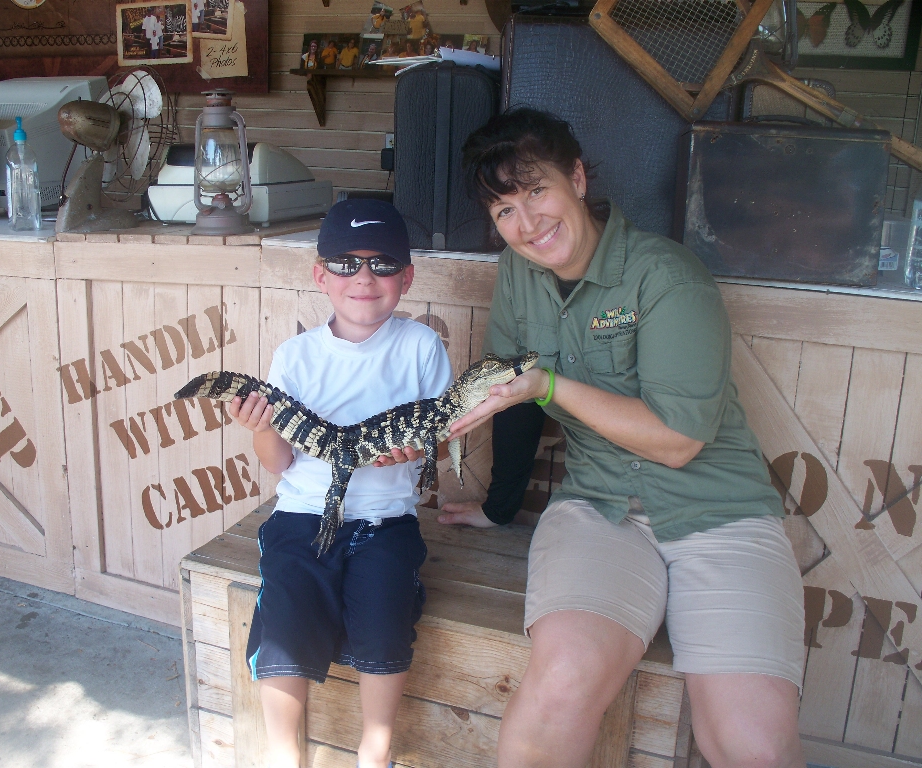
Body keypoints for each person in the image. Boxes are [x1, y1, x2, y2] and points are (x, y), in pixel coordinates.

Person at [383, 108, 807, 768]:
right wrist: (500, 506)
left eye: (537, 191)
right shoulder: (519, 274)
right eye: (504, 211)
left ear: (577, 178)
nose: (527, 223)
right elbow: (511, 399)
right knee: (561, 684)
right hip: (601, 510)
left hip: (719, 513)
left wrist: (547, 385)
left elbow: (678, 441)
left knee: (750, 743)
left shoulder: (666, 276)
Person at [228, 199, 454, 768]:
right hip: (302, 514)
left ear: (406, 277)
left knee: (385, 616)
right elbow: (278, 463)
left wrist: (421, 447)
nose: (364, 278)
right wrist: (260, 427)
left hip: (386, 520)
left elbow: (438, 438)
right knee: (286, 612)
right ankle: (284, 753)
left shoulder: (422, 347)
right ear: (320, 275)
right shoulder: (295, 356)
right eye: (346, 263)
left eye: (382, 264)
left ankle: (374, 749)